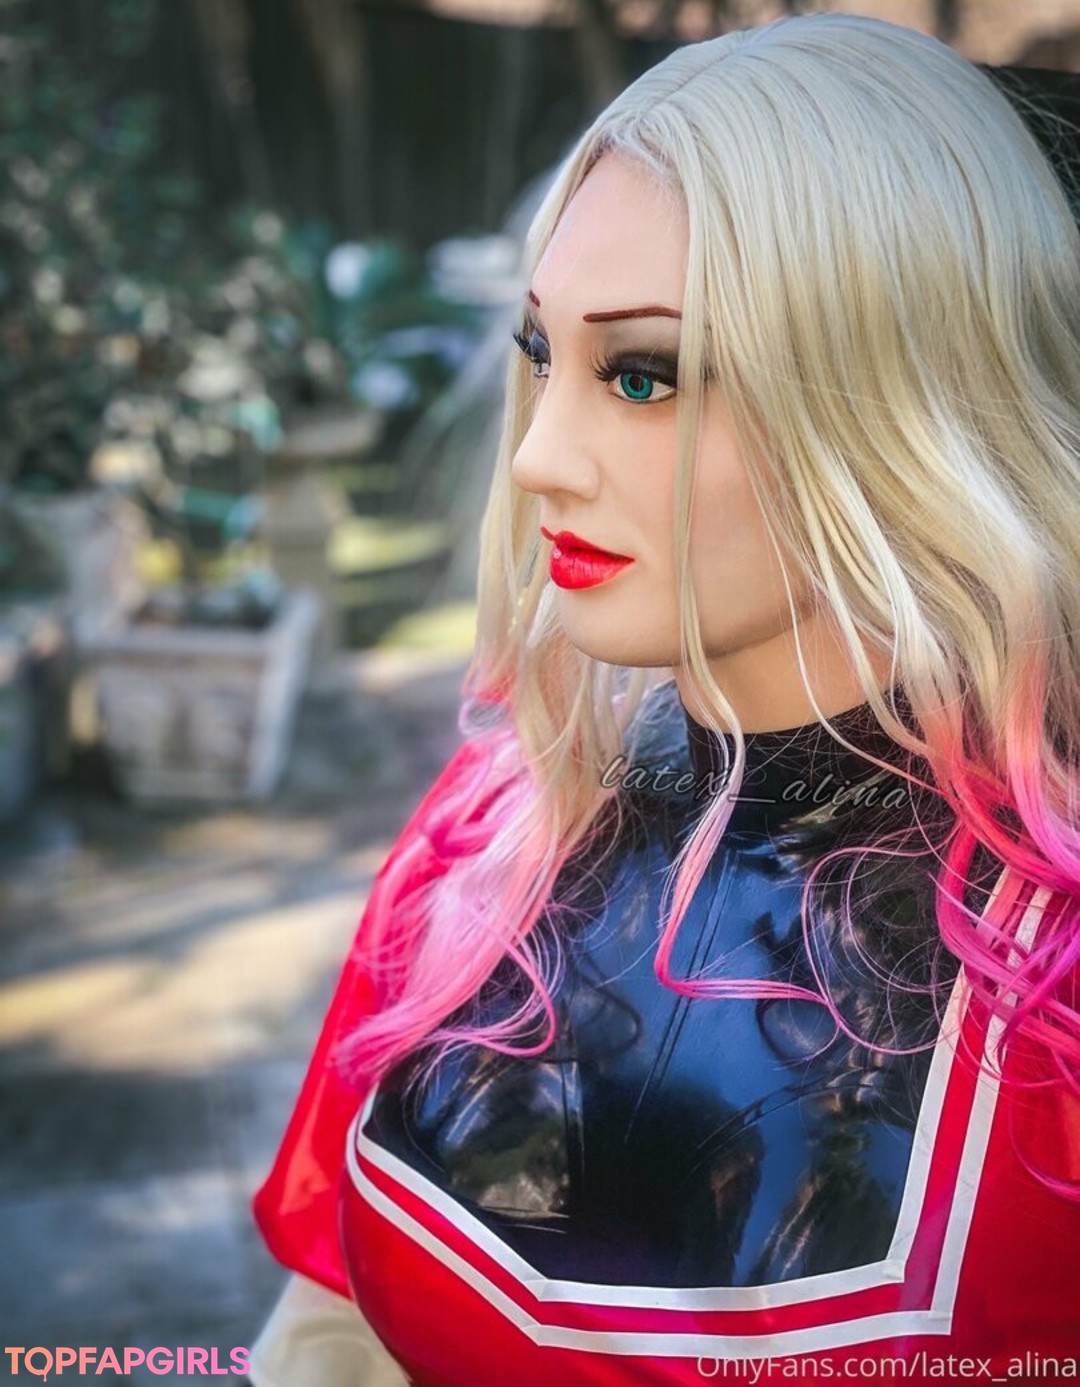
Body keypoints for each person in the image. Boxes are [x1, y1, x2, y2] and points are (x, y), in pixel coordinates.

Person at [249, 13, 1080, 1385]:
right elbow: (321, 1332)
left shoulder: (1050, 988)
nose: (539, 456)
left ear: (904, 405)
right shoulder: (495, 829)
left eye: (644, 375)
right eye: (540, 355)